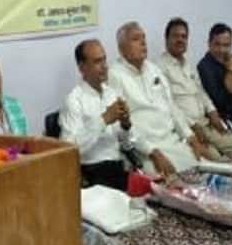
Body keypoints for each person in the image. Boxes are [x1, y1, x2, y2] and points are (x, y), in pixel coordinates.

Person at [108, 22, 200, 177]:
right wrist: (152, 152)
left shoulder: (153, 69)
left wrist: (189, 135)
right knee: (167, 181)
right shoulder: (114, 75)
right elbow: (120, 126)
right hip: (145, 149)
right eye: (136, 39)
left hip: (171, 141)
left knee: (198, 169)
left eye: (144, 38)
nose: (143, 43)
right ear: (121, 48)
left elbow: (171, 106)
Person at [157, 18, 232, 159]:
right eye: (175, 36)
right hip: (187, 128)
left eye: (184, 36)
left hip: (206, 122)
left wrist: (213, 112)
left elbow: (201, 92)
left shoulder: (188, 65)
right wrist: (192, 126)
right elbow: (169, 105)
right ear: (166, 39)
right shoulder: (160, 68)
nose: (180, 40)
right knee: (216, 159)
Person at [60, 39, 133, 191]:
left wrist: (126, 125)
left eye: (104, 60)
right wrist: (104, 119)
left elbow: (127, 144)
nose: (104, 66)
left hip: (118, 166)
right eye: (97, 62)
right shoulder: (74, 100)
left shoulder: (111, 93)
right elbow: (69, 150)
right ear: (82, 68)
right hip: (92, 174)